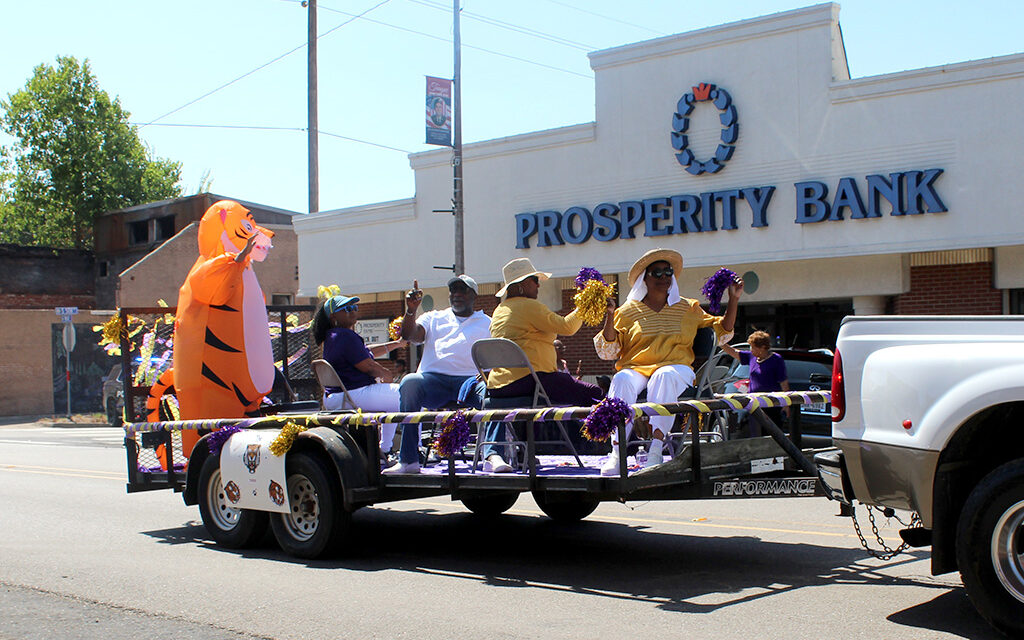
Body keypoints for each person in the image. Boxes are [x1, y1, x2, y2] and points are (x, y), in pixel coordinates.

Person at [595, 248, 742, 475]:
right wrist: (610, 315)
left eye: (668, 272)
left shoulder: (688, 307)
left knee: (663, 376)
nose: (664, 277)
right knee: (622, 379)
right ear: (645, 278)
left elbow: (723, 330)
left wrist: (733, 299)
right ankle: (617, 451)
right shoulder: (627, 311)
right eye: (657, 273)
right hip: (636, 368)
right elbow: (609, 349)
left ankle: (656, 448)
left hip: (677, 368)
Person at [479, 257, 605, 473]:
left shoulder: (499, 310)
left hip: (498, 388)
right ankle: (616, 448)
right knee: (594, 393)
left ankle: (519, 453)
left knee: (570, 389)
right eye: (534, 280)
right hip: (533, 381)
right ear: (520, 285)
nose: (538, 284)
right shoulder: (529, 306)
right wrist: (585, 304)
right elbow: (567, 327)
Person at [383, 275, 492, 475]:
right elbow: (409, 336)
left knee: (493, 390)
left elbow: (495, 359)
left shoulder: (487, 322)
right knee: (409, 382)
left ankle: (493, 455)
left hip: (469, 382)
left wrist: (487, 375)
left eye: (463, 290)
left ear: (474, 295)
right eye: (453, 290)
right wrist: (411, 310)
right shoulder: (433, 317)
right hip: (433, 381)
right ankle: (408, 460)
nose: (457, 294)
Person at [312, 294, 406, 458]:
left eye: (354, 307)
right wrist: (386, 374)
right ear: (333, 316)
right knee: (408, 395)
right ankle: (414, 451)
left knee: (394, 402)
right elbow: (368, 366)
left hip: (336, 398)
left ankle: (385, 450)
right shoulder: (345, 336)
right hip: (352, 395)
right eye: (347, 309)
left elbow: (367, 352)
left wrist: (397, 344)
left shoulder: (333, 336)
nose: (353, 311)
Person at [720, 330, 789, 435]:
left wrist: (786, 404)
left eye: (753, 347)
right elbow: (734, 352)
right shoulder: (752, 357)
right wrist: (721, 343)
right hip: (755, 405)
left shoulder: (776, 360)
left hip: (772, 405)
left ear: (762, 348)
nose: (750, 350)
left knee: (772, 434)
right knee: (755, 434)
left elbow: (784, 383)